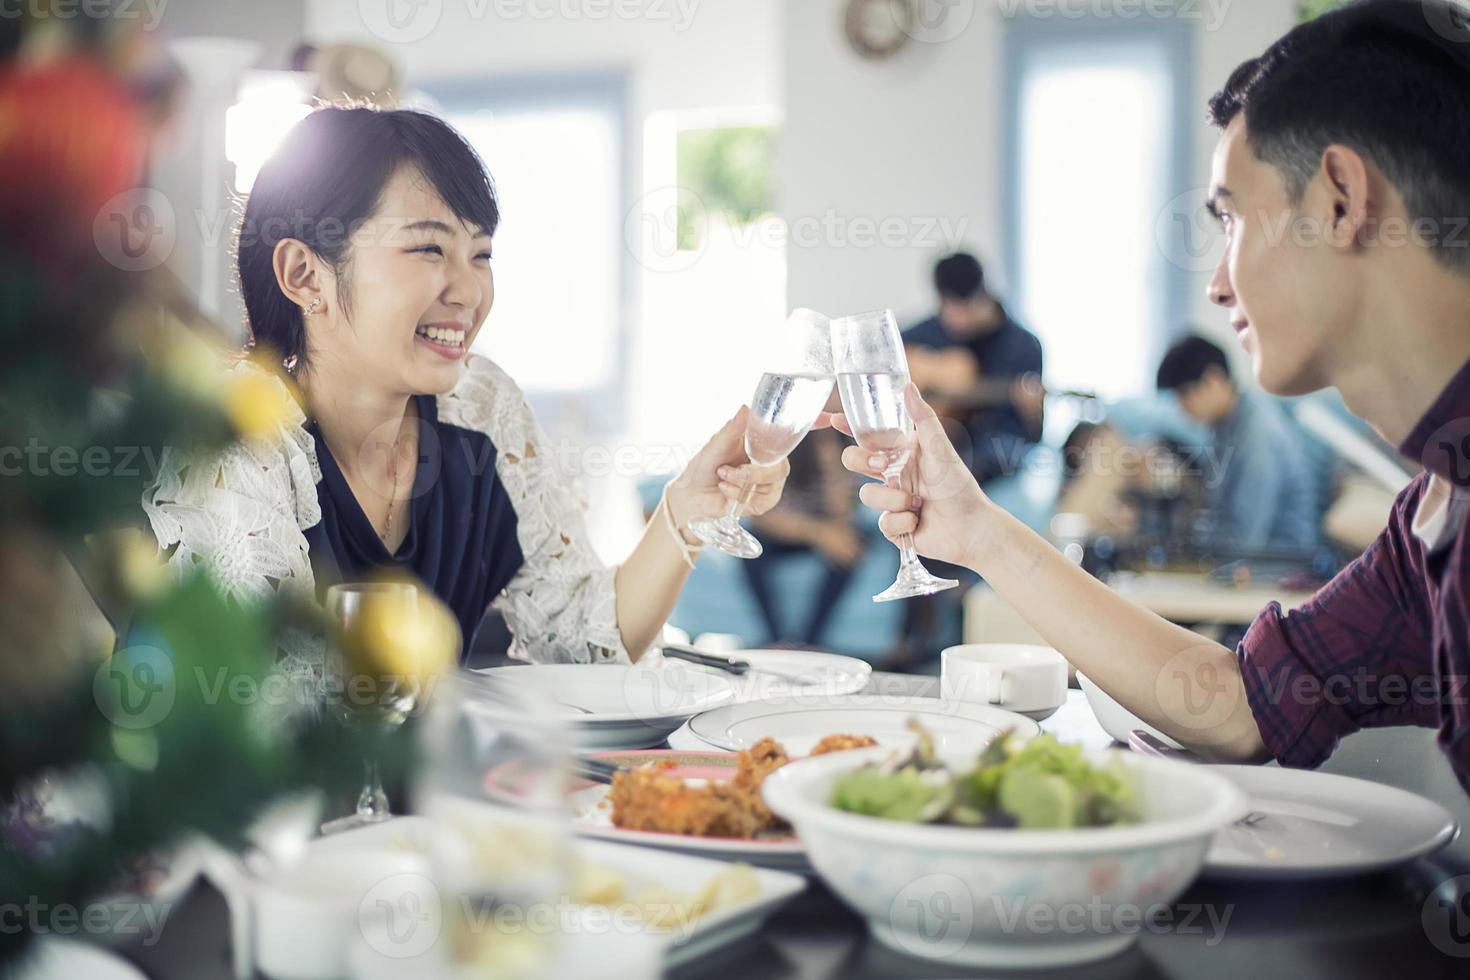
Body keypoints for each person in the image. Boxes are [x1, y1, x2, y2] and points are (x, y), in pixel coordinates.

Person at [834, 0, 1470, 794]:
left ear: (1341, 199)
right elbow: (1241, 707)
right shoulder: (1430, 524)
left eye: (1232, 219)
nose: (1216, 281)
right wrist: (980, 534)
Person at [141, 106, 811, 678]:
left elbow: (584, 641)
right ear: (304, 275)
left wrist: (685, 510)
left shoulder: (479, 408)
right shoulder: (236, 438)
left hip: (429, 807)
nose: (469, 291)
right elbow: (274, 716)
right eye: (429, 250)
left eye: (481, 253)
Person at [1156, 335, 1323, 552]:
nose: (1182, 408)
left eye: (1185, 394)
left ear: (1213, 379)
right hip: (1245, 557)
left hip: (1278, 567)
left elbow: (1244, 539)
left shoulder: (1257, 436)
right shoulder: (1223, 425)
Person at [904, 252, 1045, 483]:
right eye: (949, 309)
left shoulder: (1025, 346)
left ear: (984, 295)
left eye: (965, 308)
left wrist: (1032, 412)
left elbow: (1032, 436)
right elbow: (884, 365)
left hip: (994, 451)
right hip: (937, 443)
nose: (956, 319)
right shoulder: (924, 334)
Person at [741, 427, 865, 647]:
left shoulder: (844, 450)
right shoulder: (779, 453)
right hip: (788, 533)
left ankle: (810, 641)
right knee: (752, 549)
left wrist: (833, 465)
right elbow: (763, 517)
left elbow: (842, 518)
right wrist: (816, 533)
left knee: (849, 549)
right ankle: (776, 638)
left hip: (821, 531)